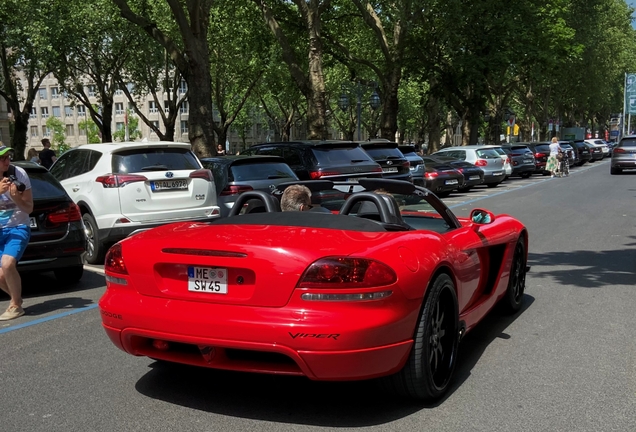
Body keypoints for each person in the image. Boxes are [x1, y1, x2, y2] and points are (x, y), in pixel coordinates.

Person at [0, 144, 33, 320]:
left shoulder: (18, 173)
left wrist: (16, 198)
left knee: (7, 264)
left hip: (18, 227)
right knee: (0, 275)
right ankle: (17, 301)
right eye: (2, 159)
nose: (7, 161)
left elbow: (29, 208)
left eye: (8, 157)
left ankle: (15, 306)